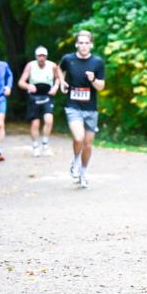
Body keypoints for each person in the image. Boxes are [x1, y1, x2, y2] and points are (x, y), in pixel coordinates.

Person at [56, 30, 105, 189]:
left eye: (86, 43)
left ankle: (83, 173)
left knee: (88, 145)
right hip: (73, 106)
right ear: (77, 44)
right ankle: (76, 160)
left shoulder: (97, 62)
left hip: (91, 108)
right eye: (81, 43)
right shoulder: (68, 59)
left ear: (91, 44)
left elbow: (101, 86)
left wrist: (93, 80)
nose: (83, 46)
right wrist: (62, 82)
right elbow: (58, 69)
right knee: (79, 138)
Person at [18, 46, 59, 157]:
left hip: (47, 95)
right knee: (35, 123)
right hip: (34, 96)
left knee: (49, 120)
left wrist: (55, 87)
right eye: (39, 56)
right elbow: (21, 82)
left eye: (43, 56)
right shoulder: (30, 65)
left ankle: (45, 144)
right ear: (36, 56)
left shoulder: (52, 65)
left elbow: (59, 78)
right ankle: (35, 145)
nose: (42, 58)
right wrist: (28, 86)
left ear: (46, 56)